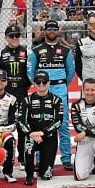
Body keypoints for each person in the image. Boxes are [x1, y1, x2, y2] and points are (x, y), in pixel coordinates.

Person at [28, 20, 75, 168]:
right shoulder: (36, 50)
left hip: (60, 88)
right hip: (42, 89)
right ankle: (40, 159)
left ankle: (66, 158)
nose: (52, 31)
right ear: (45, 31)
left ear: (58, 31)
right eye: (49, 29)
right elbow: (31, 72)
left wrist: (60, 84)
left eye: (54, 29)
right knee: (40, 123)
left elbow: (71, 73)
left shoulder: (66, 51)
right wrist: (41, 86)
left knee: (63, 124)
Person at [18, 71, 64, 185]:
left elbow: (59, 121)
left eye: (44, 82)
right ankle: (29, 174)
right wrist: (31, 133)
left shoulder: (57, 100)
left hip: (48, 137)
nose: (41, 84)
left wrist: (42, 133)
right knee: (28, 142)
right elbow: (20, 121)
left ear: (49, 83)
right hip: (32, 137)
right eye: (38, 82)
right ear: (34, 83)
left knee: (46, 176)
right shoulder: (26, 100)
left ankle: (45, 168)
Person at [0, 70, 20, 183]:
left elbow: (14, 122)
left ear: (7, 82)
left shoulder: (12, 99)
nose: (0, 82)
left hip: (4, 129)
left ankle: (8, 172)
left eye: (3, 80)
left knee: (10, 141)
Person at [0, 24, 31, 100]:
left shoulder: (27, 53)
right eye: (11, 36)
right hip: (6, 91)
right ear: (6, 38)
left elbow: (30, 72)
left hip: (22, 90)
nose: (15, 38)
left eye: (17, 35)